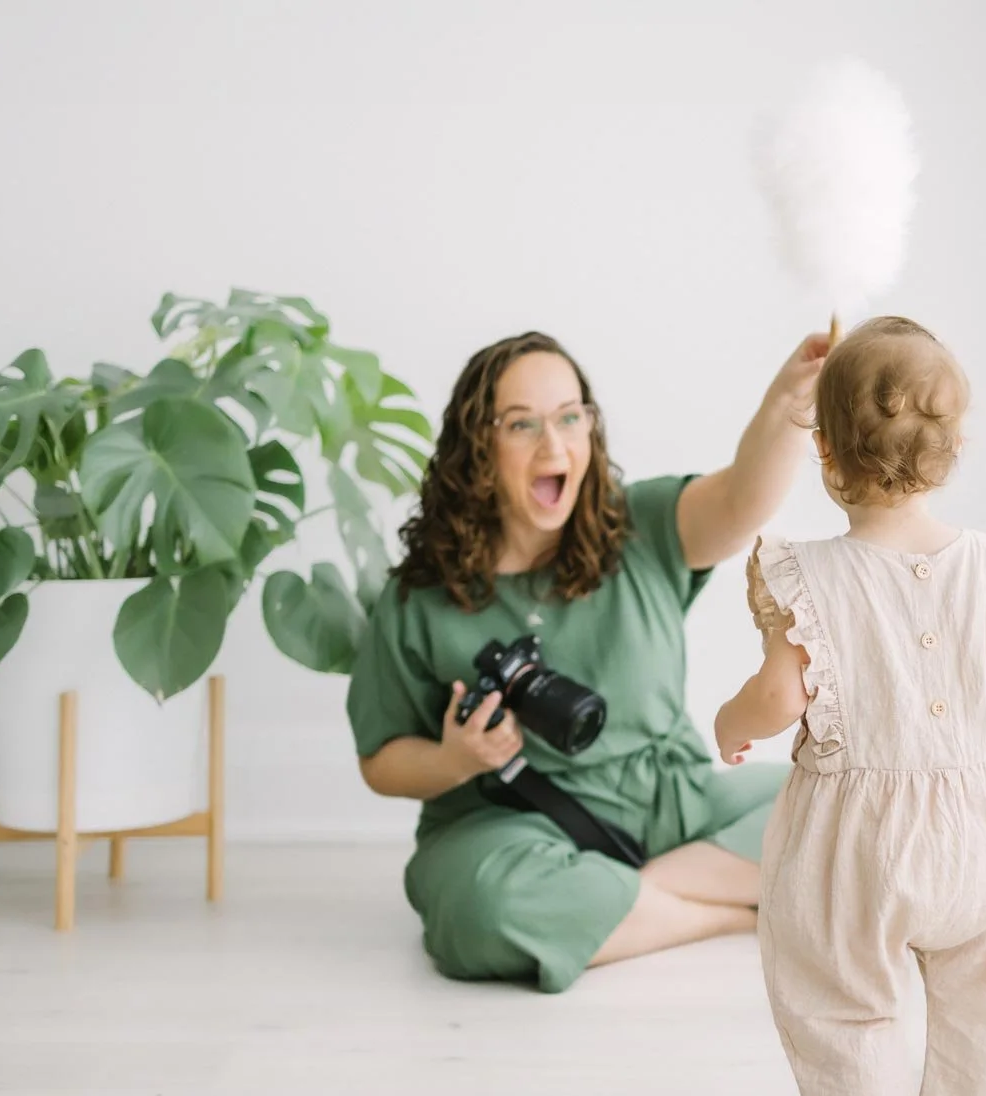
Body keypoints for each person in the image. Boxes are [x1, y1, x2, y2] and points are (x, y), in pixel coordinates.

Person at [713, 316, 986, 1096]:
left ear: (825, 452)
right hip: (981, 835)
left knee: (837, 995)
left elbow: (780, 696)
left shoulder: (803, 576)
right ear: (952, 448)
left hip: (852, 843)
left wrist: (731, 722)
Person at [349, 329, 828, 993]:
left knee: (844, 803)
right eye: (522, 424)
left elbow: (743, 498)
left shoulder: (640, 526)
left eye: (570, 417)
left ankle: (615, 906)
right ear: (477, 445)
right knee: (485, 907)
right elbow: (381, 759)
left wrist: (790, 398)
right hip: (510, 826)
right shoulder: (419, 597)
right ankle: (731, 913)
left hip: (674, 805)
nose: (554, 446)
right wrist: (456, 758)